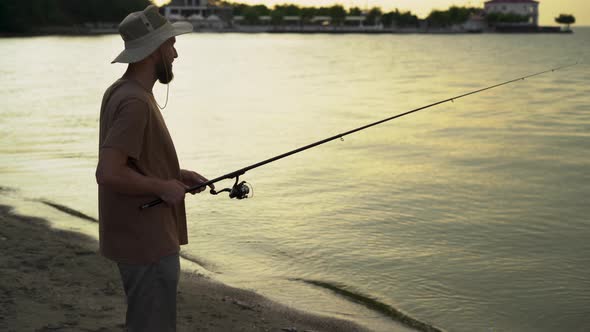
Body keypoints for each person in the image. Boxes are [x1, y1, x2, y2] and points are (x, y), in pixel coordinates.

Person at [95, 5, 212, 332]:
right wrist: (161, 188)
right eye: (170, 45)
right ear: (153, 50)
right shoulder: (135, 101)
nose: (175, 54)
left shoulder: (122, 91)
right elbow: (108, 172)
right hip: (146, 242)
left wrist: (175, 177)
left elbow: (131, 163)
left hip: (136, 237)